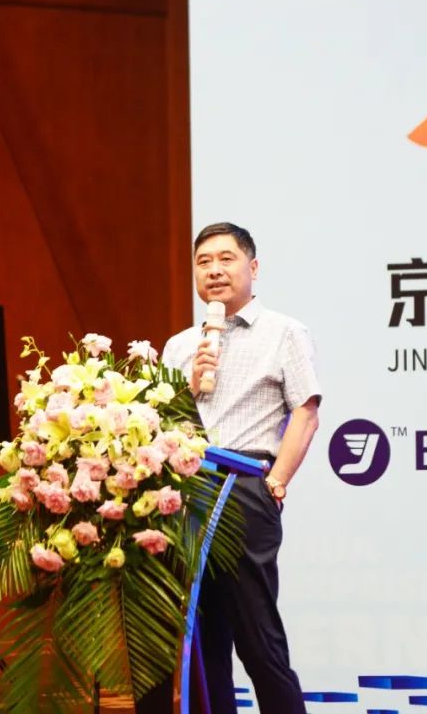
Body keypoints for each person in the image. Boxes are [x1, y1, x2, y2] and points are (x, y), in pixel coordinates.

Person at [160, 222, 321, 714]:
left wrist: (275, 482)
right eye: (203, 262)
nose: (214, 270)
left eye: (225, 259)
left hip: (244, 489)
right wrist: (189, 384)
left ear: (253, 267)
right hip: (185, 494)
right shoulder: (179, 346)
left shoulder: (284, 332)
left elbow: (306, 411)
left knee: (258, 641)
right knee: (201, 647)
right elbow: (162, 424)